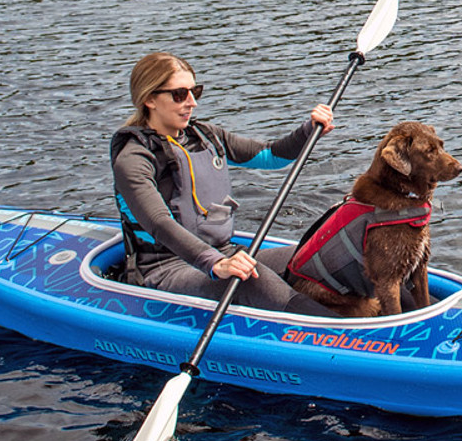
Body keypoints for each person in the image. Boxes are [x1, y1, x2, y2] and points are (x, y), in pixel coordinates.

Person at [111, 51, 337, 316]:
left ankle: (378, 314)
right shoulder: (133, 159)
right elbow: (159, 223)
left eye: (195, 91)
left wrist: (308, 131)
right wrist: (216, 263)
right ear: (149, 99)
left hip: (223, 252)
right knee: (248, 279)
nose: (192, 102)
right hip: (167, 267)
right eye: (180, 94)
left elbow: (271, 156)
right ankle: (341, 335)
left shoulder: (206, 136)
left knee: (319, 254)